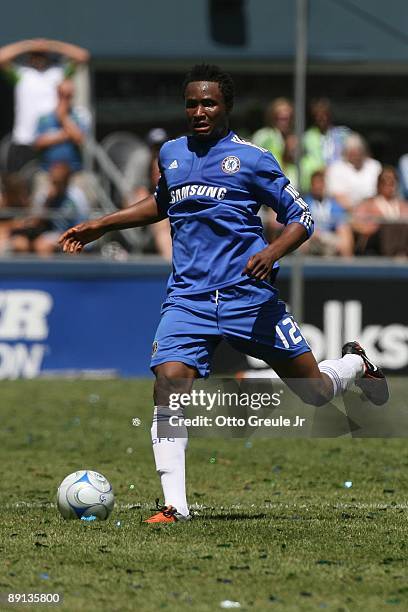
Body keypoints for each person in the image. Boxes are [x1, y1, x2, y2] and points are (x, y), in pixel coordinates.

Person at [59, 65, 389, 523]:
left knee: (313, 391)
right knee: (169, 381)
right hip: (189, 298)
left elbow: (302, 217)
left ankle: (354, 363)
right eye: (191, 103)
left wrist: (272, 251)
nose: (198, 111)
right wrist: (99, 224)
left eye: (208, 103)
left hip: (247, 297)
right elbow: (161, 202)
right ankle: (176, 505)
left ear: (226, 107)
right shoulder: (172, 153)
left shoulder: (252, 159)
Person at [0, 38, 89, 172]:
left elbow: (83, 56)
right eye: (35, 55)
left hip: (51, 141)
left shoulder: (58, 73)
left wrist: (51, 45)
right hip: (25, 141)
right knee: (19, 186)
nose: (39, 58)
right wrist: (28, 46)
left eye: (42, 55)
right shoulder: (21, 74)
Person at [12, 161, 89, 256]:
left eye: (59, 182)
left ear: (67, 180)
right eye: (53, 181)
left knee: (43, 246)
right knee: (20, 244)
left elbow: (83, 222)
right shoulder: (43, 194)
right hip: (45, 233)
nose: (55, 185)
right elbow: (35, 222)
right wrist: (48, 201)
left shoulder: (76, 196)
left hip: (69, 234)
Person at [34, 79, 89, 173]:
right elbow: (38, 143)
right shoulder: (44, 117)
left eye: (68, 95)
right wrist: (64, 135)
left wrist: (63, 118)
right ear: (57, 94)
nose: (64, 98)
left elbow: (80, 139)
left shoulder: (80, 115)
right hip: (48, 172)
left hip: (74, 172)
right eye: (61, 94)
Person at [353, 166, 408, 256]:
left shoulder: (403, 205)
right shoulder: (368, 204)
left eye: (393, 183)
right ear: (379, 184)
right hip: (376, 244)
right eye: (385, 182)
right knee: (386, 226)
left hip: (401, 248)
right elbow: (355, 223)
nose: (390, 186)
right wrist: (370, 228)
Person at [301, 98, 350, 192]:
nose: (321, 118)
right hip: (316, 183)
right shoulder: (307, 137)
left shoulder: (343, 134)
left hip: (339, 182)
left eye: (324, 114)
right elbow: (305, 162)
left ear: (330, 115)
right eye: (317, 115)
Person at [302, 170, 353, 257]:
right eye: (315, 183)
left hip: (328, 236)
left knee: (344, 236)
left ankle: (348, 266)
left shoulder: (333, 204)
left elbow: (341, 224)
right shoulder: (304, 202)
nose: (318, 186)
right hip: (310, 236)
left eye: (320, 183)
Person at [326, 133, 381, 210]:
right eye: (353, 152)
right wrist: (357, 211)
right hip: (345, 212)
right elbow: (337, 196)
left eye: (359, 150)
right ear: (346, 152)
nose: (356, 155)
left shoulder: (375, 166)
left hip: (373, 210)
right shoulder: (336, 168)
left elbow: (380, 192)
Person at [252, 97, 293, 166]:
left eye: (287, 118)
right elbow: (252, 157)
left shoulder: (294, 138)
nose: (284, 123)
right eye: (280, 118)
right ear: (272, 117)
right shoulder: (263, 135)